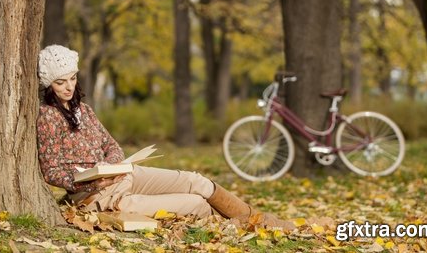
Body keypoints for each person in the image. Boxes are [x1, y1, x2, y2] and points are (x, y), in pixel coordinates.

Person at [36, 44, 293, 230]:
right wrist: (90, 182)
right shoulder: (48, 116)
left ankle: (259, 219)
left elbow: (110, 144)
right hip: (97, 197)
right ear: (49, 84)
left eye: (72, 78)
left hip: (123, 176)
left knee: (198, 182)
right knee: (195, 204)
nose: (69, 87)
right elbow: (51, 171)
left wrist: (112, 165)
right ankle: (242, 226)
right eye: (60, 82)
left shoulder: (85, 110)